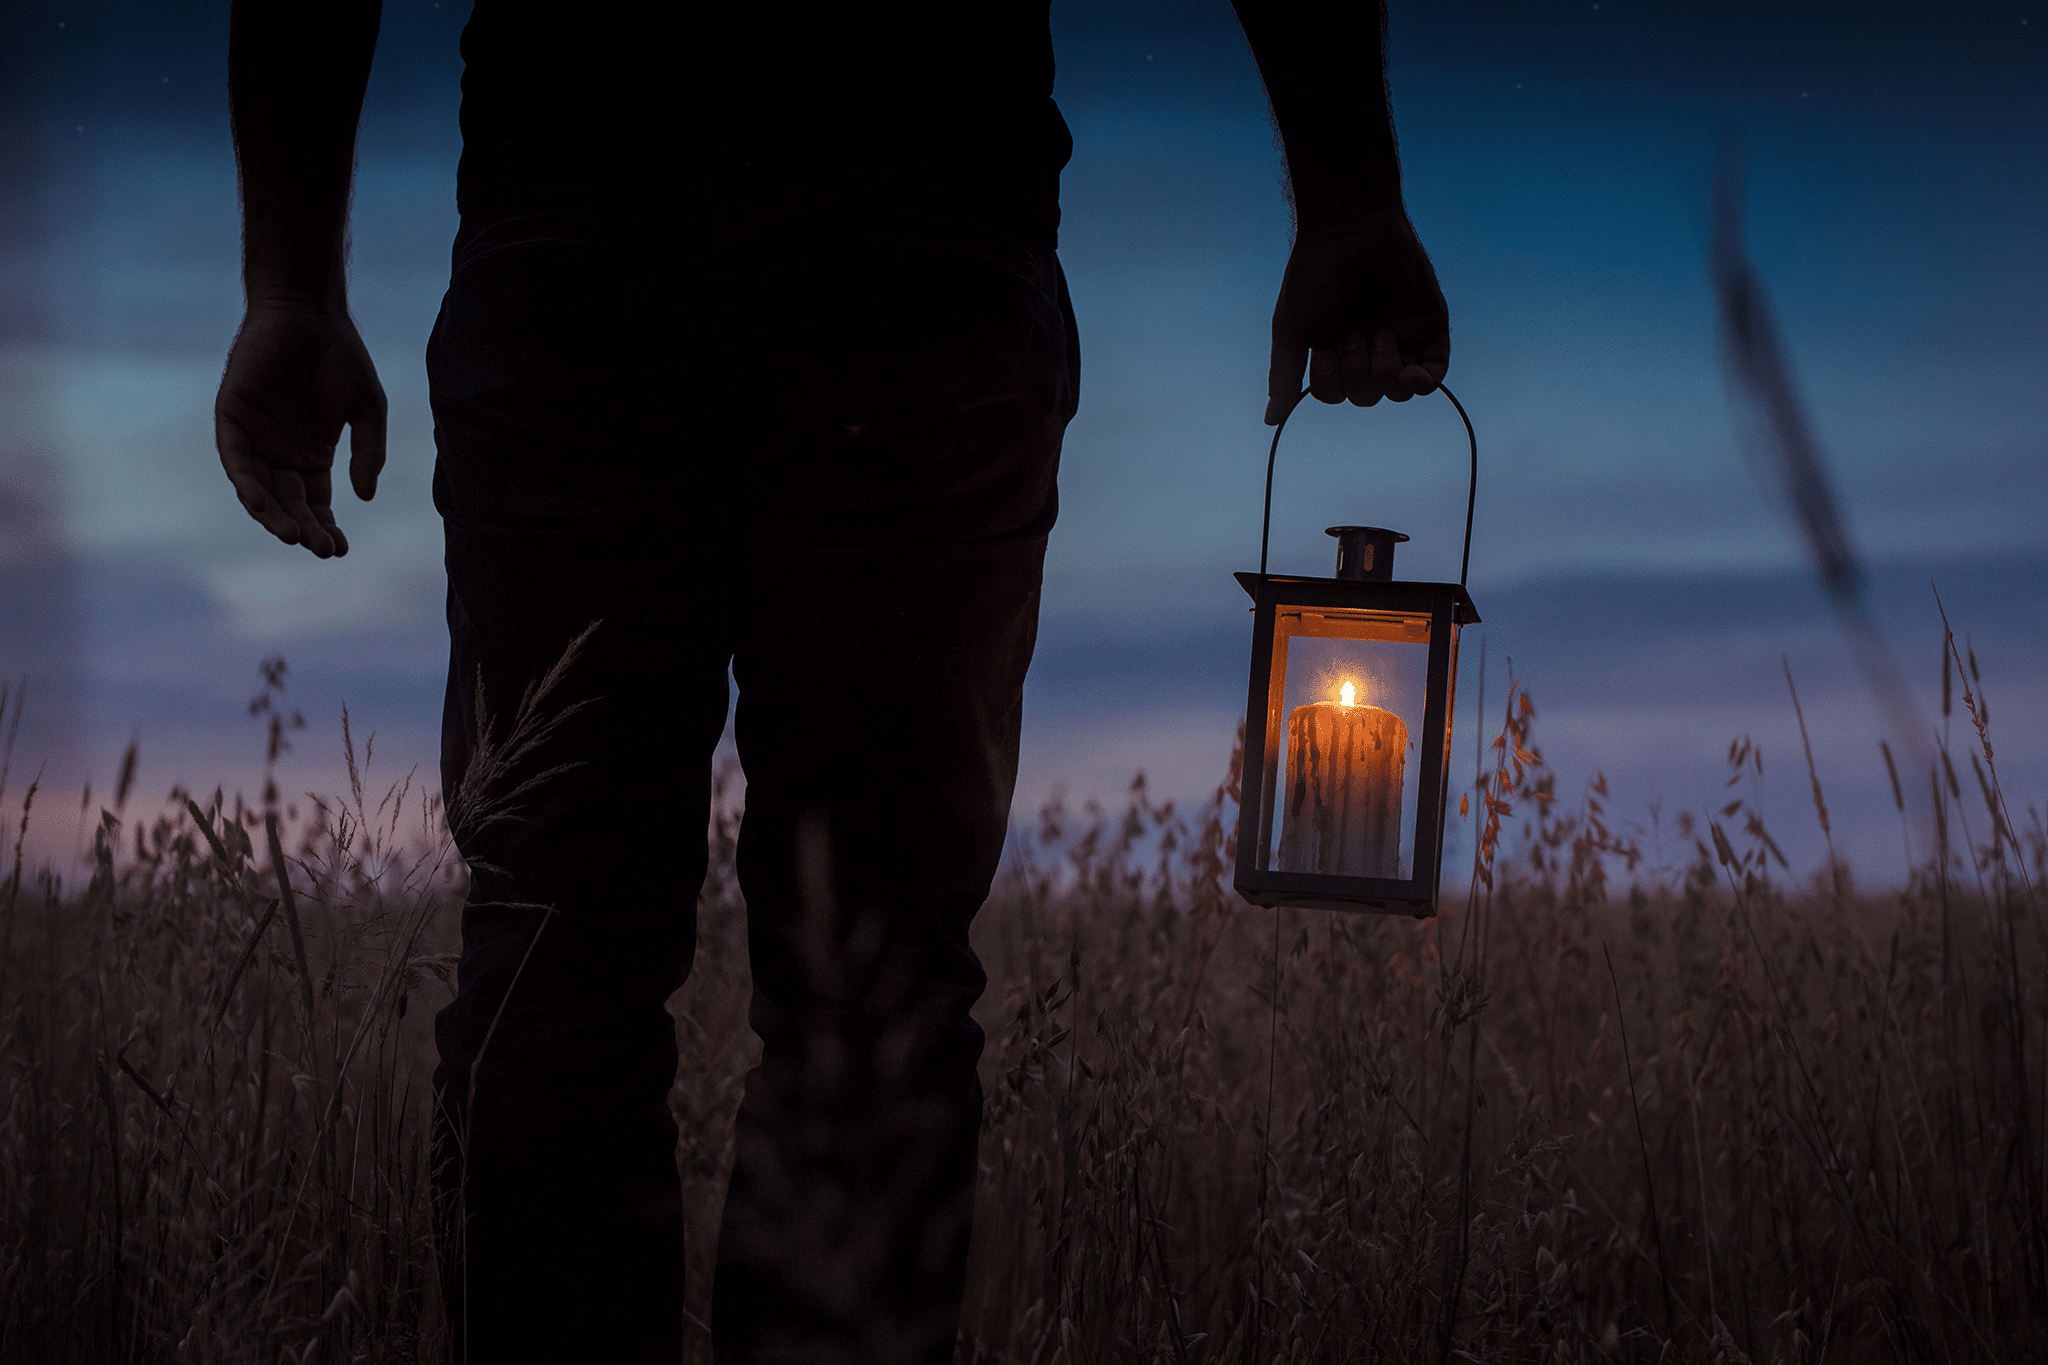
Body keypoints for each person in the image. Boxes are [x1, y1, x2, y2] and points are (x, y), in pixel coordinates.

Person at [213, 2, 1449, 1360]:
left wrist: (291, 280)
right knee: (871, 978)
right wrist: (1346, 196)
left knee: (555, 959)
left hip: (579, 235)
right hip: (920, 234)